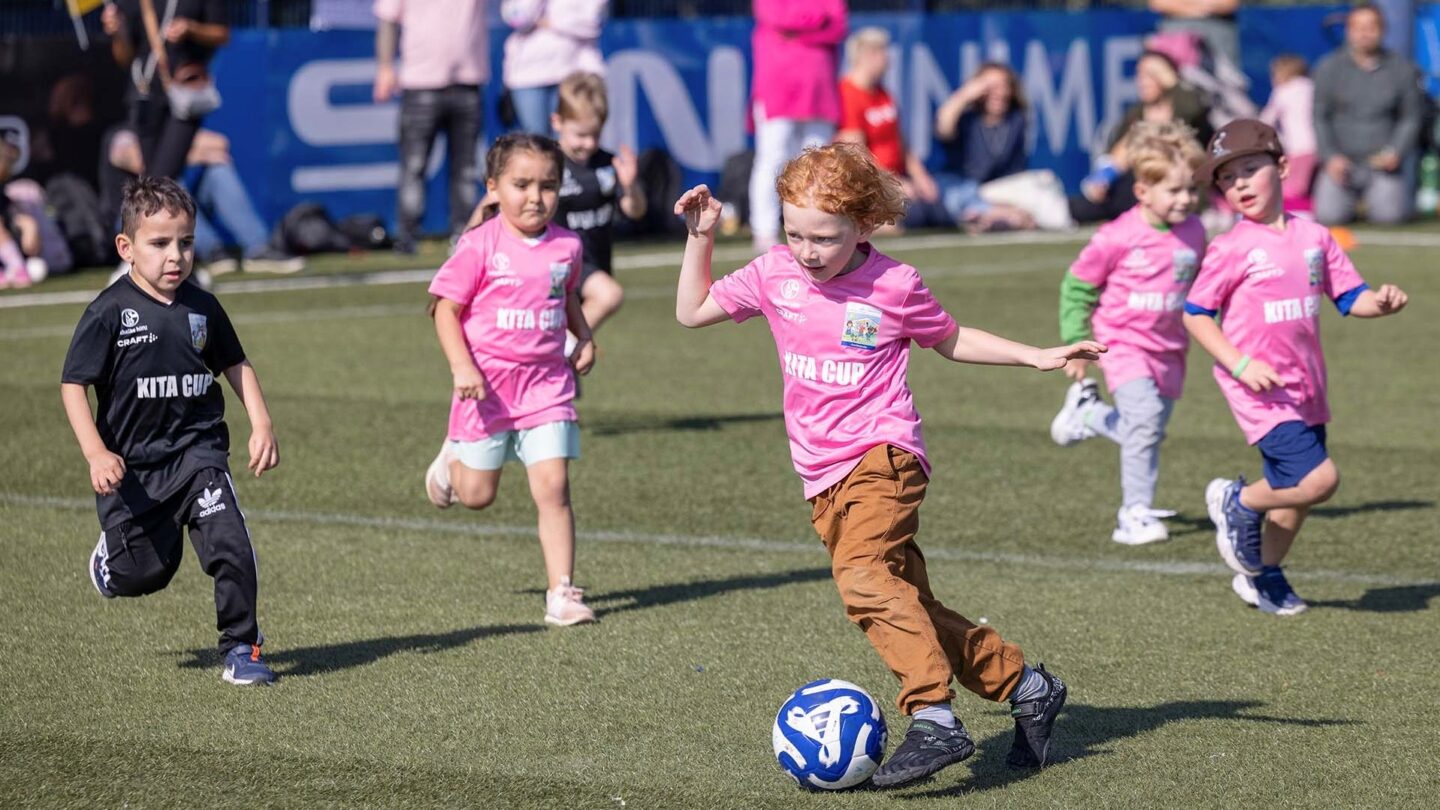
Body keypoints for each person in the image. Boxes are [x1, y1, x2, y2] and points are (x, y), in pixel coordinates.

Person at [673, 143, 1101, 787]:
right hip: (821, 474)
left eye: (825, 237)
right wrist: (700, 237)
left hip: (886, 456)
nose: (809, 251)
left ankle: (934, 719)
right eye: (795, 234)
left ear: (864, 226)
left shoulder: (894, 285)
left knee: (865, 579)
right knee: (910, 606)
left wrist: (1035, 355)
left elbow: (951, 339)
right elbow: (691, 311)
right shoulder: (773, 274)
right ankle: (1026, 685)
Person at [1183, 119, 1409, 615]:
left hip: (1306, 388)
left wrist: (1381, 302)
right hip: (1258, 389)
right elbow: (1196, 315)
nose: (1238, 183)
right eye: (1226, 177)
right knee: (1319, 480)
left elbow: (1351, 297)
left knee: (1296, 496)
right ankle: (1236, 502)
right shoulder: (1231, 247)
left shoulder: (1315, 237)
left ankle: (1262, 574)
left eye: (1249, 169)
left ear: (1283, 167)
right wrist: (1240, 364)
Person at [60, 176, 280, 685]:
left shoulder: (202, 307)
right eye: (159, 244)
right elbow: (74, 385)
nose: (175, 256)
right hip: (133, 471)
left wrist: (261, 422)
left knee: (232, 544)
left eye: (185, 242)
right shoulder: (109, 313)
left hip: (198, 454)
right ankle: (110, 564)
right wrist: (96, 454)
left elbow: (236, 363)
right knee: (148, 573)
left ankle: (242, 648)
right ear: (127, 248)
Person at [423, 134, 598, 627]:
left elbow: (566, 301)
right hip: (486, 390)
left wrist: (582, 337)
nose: (535, 197)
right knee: (477, 496)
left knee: (554, 487)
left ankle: (561, 592)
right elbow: (445, 311)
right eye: (521, 184)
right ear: (494, 188)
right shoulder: (479, 245)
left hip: (546, 389)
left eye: (547, 185)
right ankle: (452, 455)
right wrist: (462, 367)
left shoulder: (567, 245)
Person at [1049, 121, 1207, 545]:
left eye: (1190, 189)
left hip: (1171, 349)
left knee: (1148, 430)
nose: (1186, 199)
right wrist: (1077, 345)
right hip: (1122, 344)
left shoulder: (1195, 231)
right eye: (1174, 191)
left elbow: (1203, 288)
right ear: (1142, 192)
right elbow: (1078, 287)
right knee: (1144, 425)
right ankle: (1132, 514)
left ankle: (1088, 415)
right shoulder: (1117, 236)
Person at [470, 71, 644, 335]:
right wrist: (467, 242)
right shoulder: (546, 166)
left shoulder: (607, 165)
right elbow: (496, 199)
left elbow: (635, 211)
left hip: (592, 268)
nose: (589, 143)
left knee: (566, 373)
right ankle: (564, 349)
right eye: (580, 135)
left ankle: (563, 354)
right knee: (609, 295)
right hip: (554, 264)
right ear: (557, 122)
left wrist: (630, 185)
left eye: (595, 135)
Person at [373, 0, 490, 253]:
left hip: (468, 82)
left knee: (466, 169)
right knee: (414, 166)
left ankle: (464, 232)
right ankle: (407, 235)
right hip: (420, 82)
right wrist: (385, 67)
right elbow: (387, 20)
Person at [748, 0, 848, 251]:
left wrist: (796, 32)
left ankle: (818, 226)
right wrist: (817, 21)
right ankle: (765, 230)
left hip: (819, 88)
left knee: (819, 163)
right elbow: (775, 18)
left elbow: (838, 27)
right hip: (778, 87)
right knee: (773, 158)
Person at [1312, 3, 1424, 225]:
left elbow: (1411, 117)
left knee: (1389, 216)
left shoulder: (1402, 69)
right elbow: (1319, 117)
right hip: (1342, 163)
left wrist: (1396, 151)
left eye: (1371, 27)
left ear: (1382, 30)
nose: (1364, 33)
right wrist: (1330, 156)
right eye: (1358, 27)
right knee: (1328, 216)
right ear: (1348, 31)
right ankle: (1347, 201)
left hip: (1382, 165)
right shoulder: (1328, 68)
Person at [1071, 51, 1212, 225]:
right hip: (1138, 191)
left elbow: (1196, 107)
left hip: (1179, 191)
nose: (1142, 81)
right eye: (1140, 74)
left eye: (1150, 75)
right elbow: (1120, 153)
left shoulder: (1185, 107)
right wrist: (1102, 179)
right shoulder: (1136, 114)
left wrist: (1172, 81)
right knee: (1079, 206)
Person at [101, 0, 229, 182]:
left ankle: (159, 206)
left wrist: (191, 28)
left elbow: (222, 34)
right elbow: (124, 58)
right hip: (144, 94)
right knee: (151, 180)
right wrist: (118, 33)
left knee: (161, 179)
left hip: (184, 96)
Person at [836, 27, 947, 229]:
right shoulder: (847, 93)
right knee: (913, 216)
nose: (888, 58)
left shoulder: (883, 94)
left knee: (938, 212)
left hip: (896, 180)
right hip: (871, 184)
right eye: (883, 52)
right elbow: (857, 154)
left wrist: (921, 178)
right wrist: (891, 184)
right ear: (868, 56)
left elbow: (901, 142)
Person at [933, 62, 1037, 230]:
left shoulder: (1016, 120)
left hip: (999, 190)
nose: (999, 93)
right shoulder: (967, 120)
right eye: (991, 87)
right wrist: (964, 95)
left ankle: (989, 215)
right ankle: (996, 215)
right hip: (964, 188)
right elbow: (944, 127)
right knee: (955, 192)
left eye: (1004, 86)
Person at [501, 0, 609, 135]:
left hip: (572, 74)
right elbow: (515, 18)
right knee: (536, 145)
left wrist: (551, 21)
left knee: (569, 142)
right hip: (527, 77)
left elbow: (592, 24)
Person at [1260, 55, 1319, 211]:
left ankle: (1302, 211)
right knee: (1312, 184)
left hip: (1299, 148)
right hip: (1318, 145)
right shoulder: (1311, 87)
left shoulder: (1283, 91)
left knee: (1294, 188)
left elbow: (1267, 119)